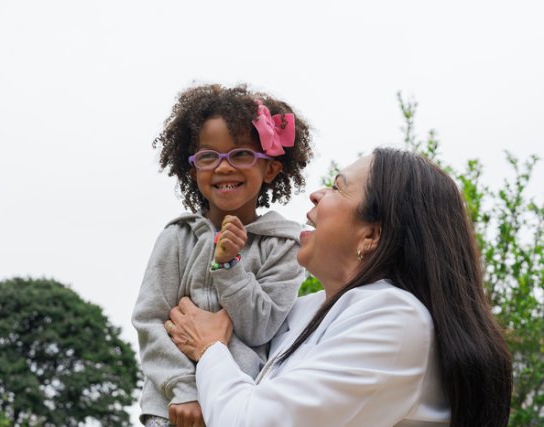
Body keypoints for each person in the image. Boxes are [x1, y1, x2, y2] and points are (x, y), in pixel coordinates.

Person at [166, 148, 513, 427]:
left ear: (371, 235)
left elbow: (249, 420)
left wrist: (210, 348)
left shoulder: (396, 320)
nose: (316, 194)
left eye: (336, 187)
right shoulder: (303, 311)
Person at [132, 84, 314, 427]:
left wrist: (230, 267)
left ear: (271, 169)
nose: (224, 167)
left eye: (242, 154)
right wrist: (185, 389)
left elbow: (261, 329)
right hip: (172, 409)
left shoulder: (285, 245)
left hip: (240, 407)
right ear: (192, 169)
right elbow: (149, 320)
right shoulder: (176, 238)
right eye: (208, 156)